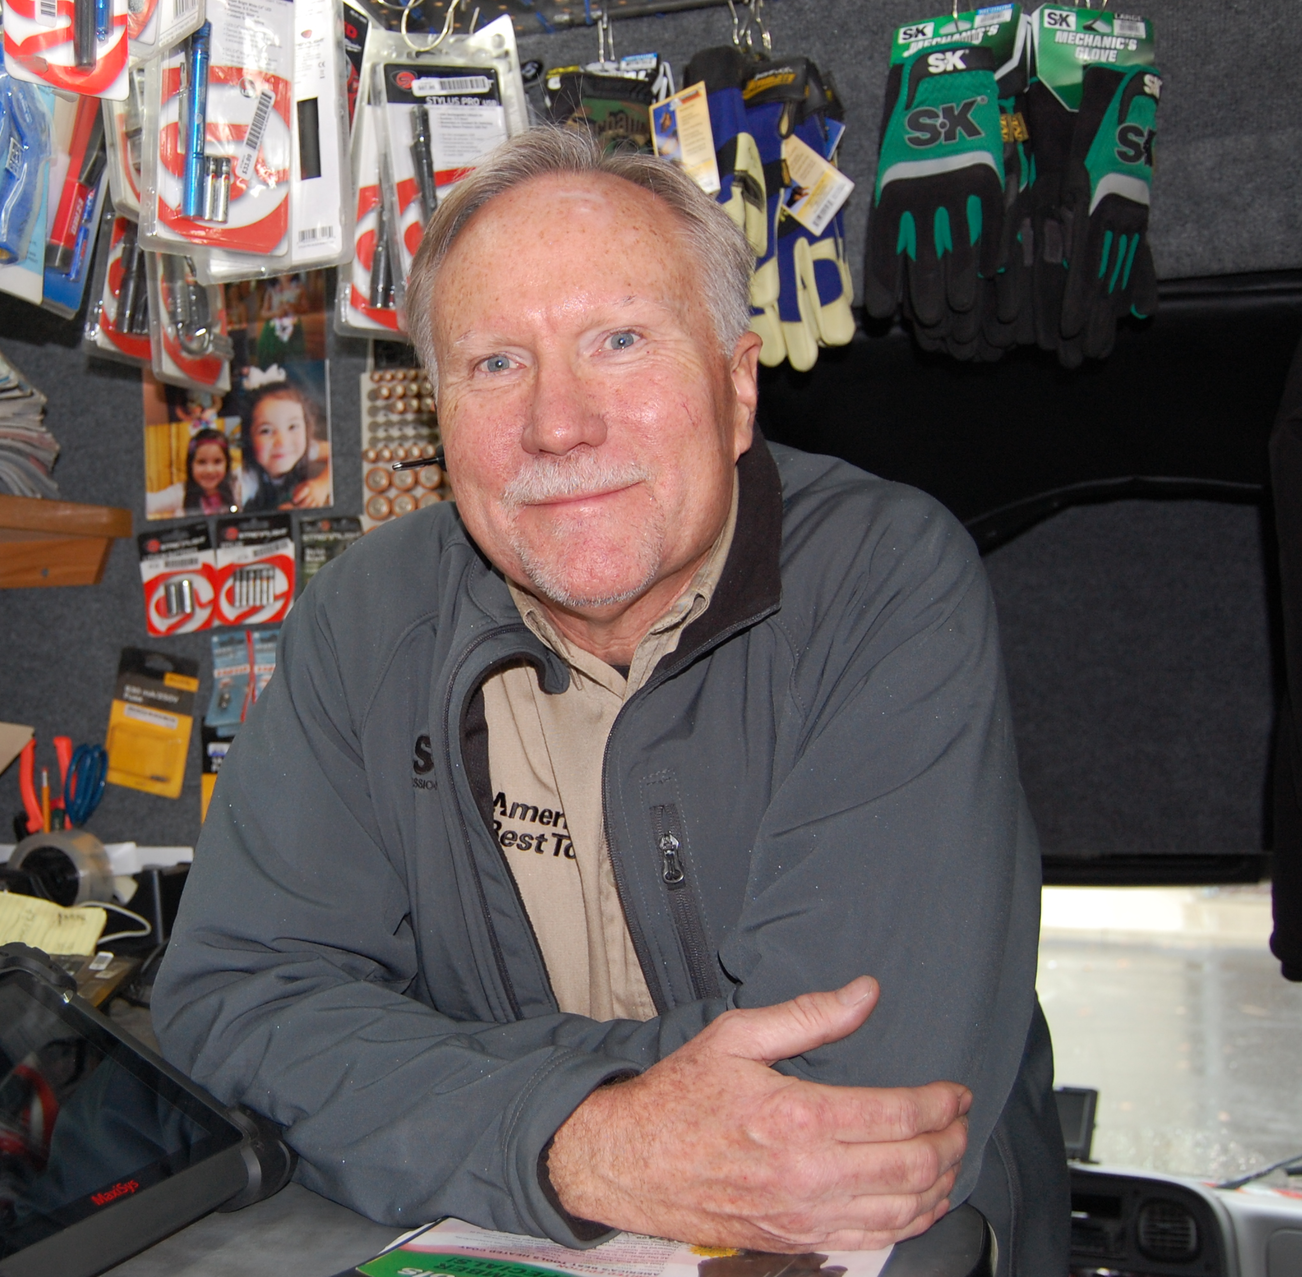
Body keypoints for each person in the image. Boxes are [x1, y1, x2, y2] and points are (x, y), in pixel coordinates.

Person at [153, 126, 1066, 1271]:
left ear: (737, 387)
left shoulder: (885, 580)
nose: (557, 423)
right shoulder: (363, 621)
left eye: (619, 341)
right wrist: (579, 1139)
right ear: (439, 415)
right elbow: (238, 1003)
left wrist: (424, 1074)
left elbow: (848, 1100)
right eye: (496, 364)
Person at [239, 380, 332, 511]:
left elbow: (343, 454)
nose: (282, 442)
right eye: (266, 431)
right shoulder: (247, 479)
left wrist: (322, 485)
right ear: (248, 438)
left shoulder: (305, 449)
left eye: (292, 427)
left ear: (307, 428)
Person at [149, 428, 240, 518]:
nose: (209, 470)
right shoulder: (180, 493)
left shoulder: (237, 487)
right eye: (201, 462)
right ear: (190, 465)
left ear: (227, 464)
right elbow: (149, 503)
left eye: (217, 461)